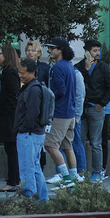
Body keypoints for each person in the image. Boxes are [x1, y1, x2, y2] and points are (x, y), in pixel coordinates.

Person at [76, 39, 110, 181]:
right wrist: (86, 70)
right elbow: (79, 86)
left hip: (96, 108)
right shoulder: (78, 67)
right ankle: (80, 172)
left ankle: (97, 172)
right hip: (81, 109)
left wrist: (101, 104)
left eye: (98, 50)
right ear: (86, 52)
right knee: (78, 140)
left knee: (96, 142)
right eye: (94, 50)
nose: (97, 53)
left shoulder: (104, 67)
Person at [42, 37, 78, 189]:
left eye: (52, 48)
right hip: (70, 113)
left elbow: (60, 91)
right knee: (67, 146)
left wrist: (48, 97)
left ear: (60, 50)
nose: (49, 50)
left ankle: (67, 180)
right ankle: (74, 177)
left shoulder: (58, 67)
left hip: (60, 113)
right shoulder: (69, 66)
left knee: (50, 145)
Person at [15, 59, 49, 201]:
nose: (20, 75)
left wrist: (22, 128)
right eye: (19, 72)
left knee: (27, 170)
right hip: (34, 134)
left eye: (23, 73)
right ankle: (42, 201)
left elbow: (32, 114)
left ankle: (29, 201)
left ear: (32, 73)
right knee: (35, 169)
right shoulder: (34, 87)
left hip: (28, 135)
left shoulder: (33, 89)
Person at [0, 46, 21, 193]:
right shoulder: (7, 72)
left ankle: (13, 181)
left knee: (12, 150)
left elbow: (13, 97)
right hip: (8, 118)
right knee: (11, 150)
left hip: (10, 119)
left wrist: (4, 112)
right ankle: (14, 180)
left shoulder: (10, 73)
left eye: (0, 53)